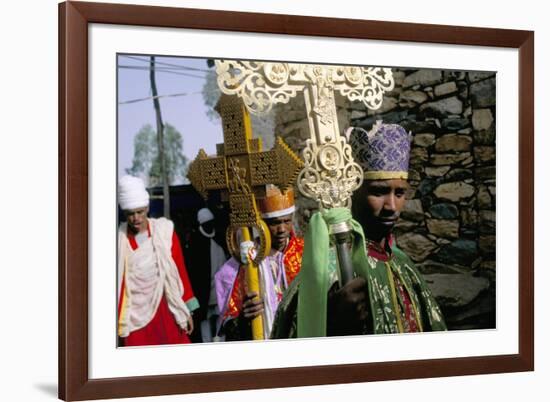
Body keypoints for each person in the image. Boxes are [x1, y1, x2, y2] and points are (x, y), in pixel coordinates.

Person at [271, 123, 446, 338]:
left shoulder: (404, 266)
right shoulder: (326, 273)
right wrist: (333, 327)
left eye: (399, 193)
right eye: (379, 192)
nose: (391, 205)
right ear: (353, 192)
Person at [117, 175, 199, 346]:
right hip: (134, 315)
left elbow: (179, 270)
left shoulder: (164, 232)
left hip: (166, 307)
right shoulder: (119, 240)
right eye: (130, 214)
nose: (136, 218)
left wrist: (186, 309)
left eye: (140, 212)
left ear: (147, 208)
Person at [215, 186, 304, 340]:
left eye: (287, 221)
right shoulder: (242, 262)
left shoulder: (305, 253)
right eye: (275, 223)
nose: (282, 229)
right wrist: (243, 318)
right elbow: (230, 328)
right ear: (261, 224)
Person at [185, 207, 229, 343]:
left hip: (220, 291)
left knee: (220, 321)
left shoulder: (220, 239)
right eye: (206, 224)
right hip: (203, 292)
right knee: (204, 323)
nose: (209, 226)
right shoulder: (195, 243)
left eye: (211, 222)